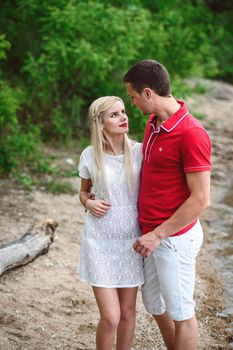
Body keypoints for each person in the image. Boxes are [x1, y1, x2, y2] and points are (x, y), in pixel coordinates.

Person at [123, 59, 211, 350]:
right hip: (151, 235)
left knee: (182, 313)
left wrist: (159, 233)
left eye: (133, 97)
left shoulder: (191, 134)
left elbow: (201, 199)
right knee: (153, 303)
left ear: (148, 93)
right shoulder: (153, 124)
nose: (132, 103)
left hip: (172, 238)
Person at [77, 96, 144, 350]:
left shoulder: (138, 151)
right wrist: (88, 203)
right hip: (99, 241)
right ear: (100, 123)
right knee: (111, 316)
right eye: (114, 114)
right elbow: (83, 192)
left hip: (131, 241)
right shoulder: (89, 155)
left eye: (124, 112)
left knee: (127, 314)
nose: (124, 117)